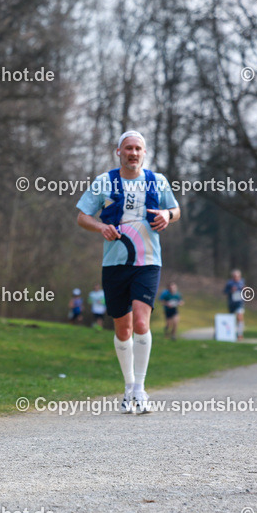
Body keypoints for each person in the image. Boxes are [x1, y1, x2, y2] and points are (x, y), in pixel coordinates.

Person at [76, 130, 180, 414]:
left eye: (138, 148)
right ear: (118, 152)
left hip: (148, 261)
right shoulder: (104, 182)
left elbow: (175, 208)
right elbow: (82, 216)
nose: (133, 153)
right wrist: (101, 227)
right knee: (123, 328)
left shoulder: (157, 181)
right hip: (114, 263)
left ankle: (141, 390)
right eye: (128, 148)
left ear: (144, 153)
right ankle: (127, 387)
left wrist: (166, 216)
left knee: (142, 322)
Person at [224, 269, 246, 340]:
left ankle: (240, 334)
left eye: (237, 276)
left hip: (239, 303)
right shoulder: (229, 283)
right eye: (235, 276)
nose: (236, 278)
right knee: (231, 319)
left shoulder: (242, 282)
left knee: (240, 318)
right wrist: (231, 291)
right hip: (232, 303)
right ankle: (230, 334)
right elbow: (225, 291)